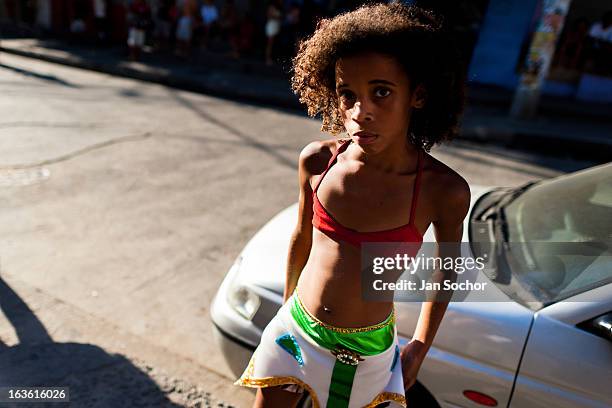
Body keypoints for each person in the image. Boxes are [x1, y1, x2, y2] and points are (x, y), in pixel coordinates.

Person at [234, 3, 469, 407]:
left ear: (418, 95)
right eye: (348, 95)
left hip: (368, 350)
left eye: (381, 92)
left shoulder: (443, 191)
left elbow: (445, 273)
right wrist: (285, 309)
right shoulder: (318, 161)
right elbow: (301, 237)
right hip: (297, 330)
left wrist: (420, 347)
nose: (361, 112)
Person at [265, 0, 283, 65]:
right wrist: (277, 17)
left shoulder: (280, 7)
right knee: (270, 43)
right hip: (271, 25)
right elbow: (268, 15)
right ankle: (267, 58)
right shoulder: (271, 7)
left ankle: (273, 58)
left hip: (276, 26)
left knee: (274, 43)